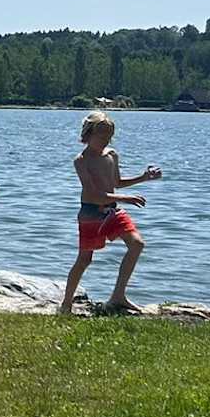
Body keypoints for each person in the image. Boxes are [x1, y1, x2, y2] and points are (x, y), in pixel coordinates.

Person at [61, 111, 162, 315]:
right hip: (91, 213)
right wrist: (125, 199)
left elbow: (116, 182)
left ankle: (118, 296)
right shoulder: (81, 161)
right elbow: (94, 194)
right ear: (88, 134)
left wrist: (143, 177)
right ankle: (66, 304)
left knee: (137, 244)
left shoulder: (112, 155)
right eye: (101, 135)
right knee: (84, 260)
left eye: (109, 135)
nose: (105, 139)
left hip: (112, 211)